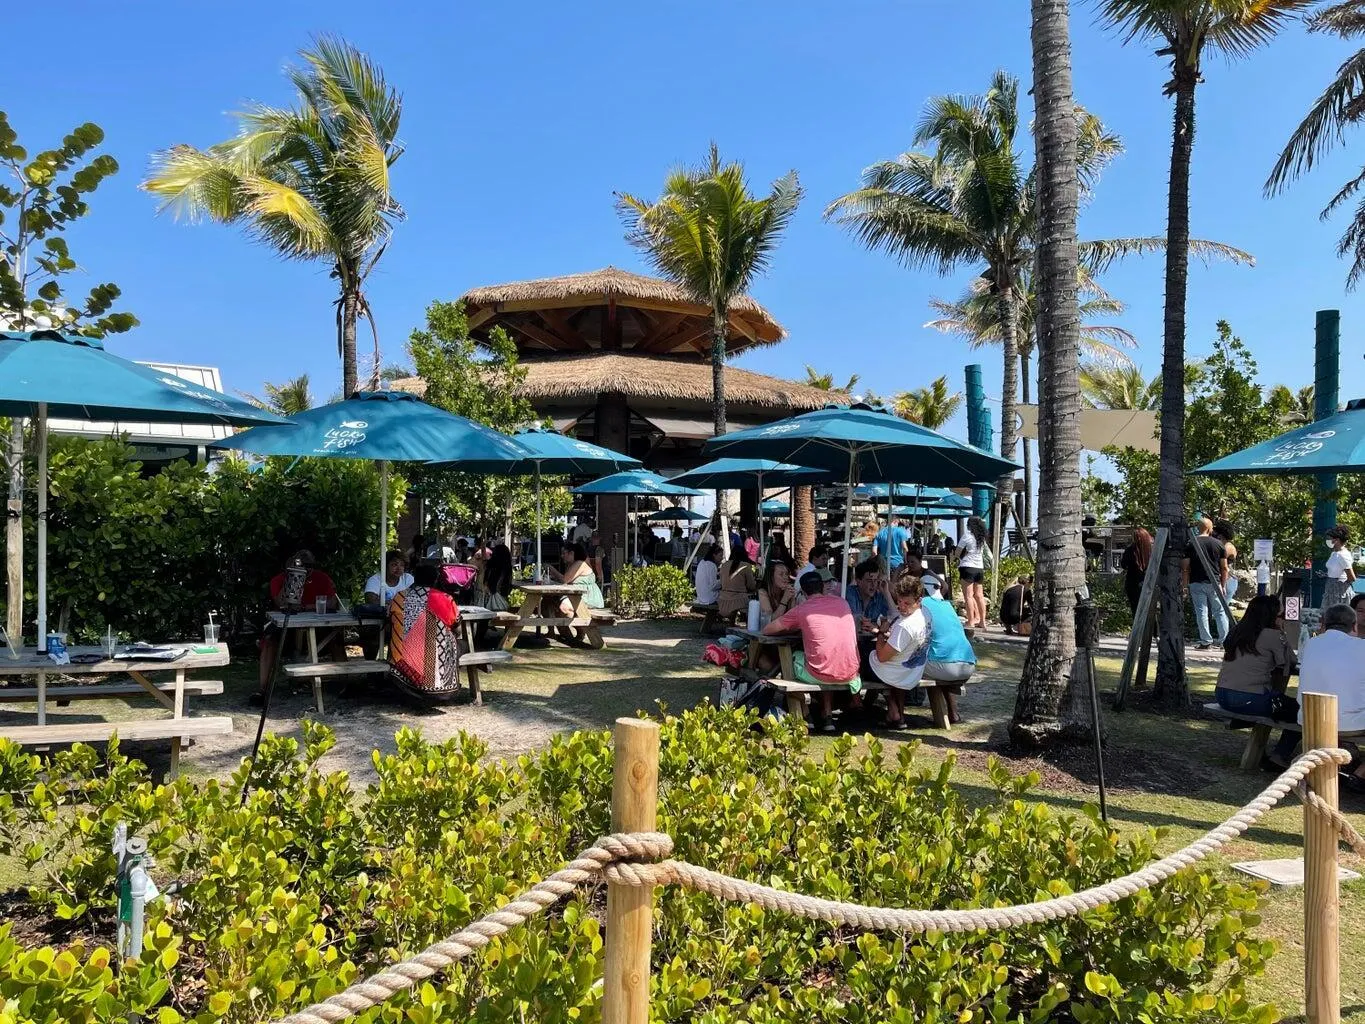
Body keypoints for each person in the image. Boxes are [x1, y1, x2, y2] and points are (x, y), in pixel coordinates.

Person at [763, 570, 860, 732]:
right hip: (850, 673)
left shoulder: (802, 609)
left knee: (793, 660)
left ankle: (805, 715)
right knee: (824, 658)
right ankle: (827, 715)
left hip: (821, 673)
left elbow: (768, 629)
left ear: (803, 592)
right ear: (822, 587)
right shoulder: (842, 603)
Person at [1215, 595, 1300, 766]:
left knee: (1282, 703)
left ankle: (1264, 753)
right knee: (1303, 712)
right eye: (1281, 616)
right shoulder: (1273, 635)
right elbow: (1290, 661)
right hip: (1249, 699)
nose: (1283, 619)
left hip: (1222, 694)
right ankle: (1280, 755)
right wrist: (1282, 634)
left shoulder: (1237, 631)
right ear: (1272, 616)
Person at [254, 549, 339, 702]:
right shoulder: (279, 580)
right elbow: (280, 603)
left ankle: (345, 683)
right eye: (303, 564)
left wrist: (307, 607)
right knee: (269, 641)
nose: (307, 568)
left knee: (336, 639)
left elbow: (333, 603)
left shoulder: (321, 578)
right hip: (287, 626)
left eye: (310, 565)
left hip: (316, 625)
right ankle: (262, 690)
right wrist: (291, 578)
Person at [1297, 603, 1365, 792]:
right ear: (1354, 626)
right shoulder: (1361, 647)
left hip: (1309, 718)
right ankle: (1360, 774)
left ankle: (1351, 766)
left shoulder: (1311, 644)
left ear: (1323, 624)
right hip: (1348, 723)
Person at [868, 572, 931, 730]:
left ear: (918, 600)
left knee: (862, 655)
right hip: (912, 670)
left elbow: (882, 657)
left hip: (893, 672)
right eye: (899, 602)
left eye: (906, 603)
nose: (902, 607)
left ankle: (890, 709)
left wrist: (881, 632)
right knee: (897, 667)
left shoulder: (905, 626)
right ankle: (898, 716)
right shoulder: (926, 614)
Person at [920, 573, 974, 723]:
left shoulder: (922, 605)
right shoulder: (948, 605)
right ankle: (953, 712)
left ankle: (896, 712)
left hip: (945, 667)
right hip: (968, 666)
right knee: (940, 662)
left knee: (906, 664)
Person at [1184, 517, 1229, 649]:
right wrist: (1223, 585)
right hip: (1214, 582)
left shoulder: (1191, 543)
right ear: (1210, 529)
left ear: (1198, 528)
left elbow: (1185, 567)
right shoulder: (1218, 544)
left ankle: (1205, 640)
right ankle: (1224, 640)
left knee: (1201, 612)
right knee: (1220, 611)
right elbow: (1224, 567)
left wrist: (1185, 585)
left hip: (1196, 581)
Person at [547, 541, 604, 617]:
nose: (562, 556)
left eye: (564, 553)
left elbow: (564, 580)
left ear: (571, 553)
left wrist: (552, 569)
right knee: (547, 602)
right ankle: (556, 625)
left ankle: (576, 624)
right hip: (575, 595)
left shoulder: (580, 564)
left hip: (587, 597)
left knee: (564, 608)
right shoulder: (571, 565)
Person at [954, 515, 988, 630]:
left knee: (968, 596)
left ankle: (971, 621)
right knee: (979, 596)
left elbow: (957, 552)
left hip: (967, 566)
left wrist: (958, 556)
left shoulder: (967, 536)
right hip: (979, 568)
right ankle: (982, 621)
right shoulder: (981, 538)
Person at [717, 544, 759, 622]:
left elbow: (721, 582)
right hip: (740, 601)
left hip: (723, 601)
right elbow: (752, 586)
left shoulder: (724, 565)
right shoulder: (746, 566)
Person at [845, 558, 890, 628]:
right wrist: (875, 626)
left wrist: (886, 593)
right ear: (858, 581)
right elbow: (857, 622)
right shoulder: (850, 593)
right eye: (869, 581)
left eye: (875, 580)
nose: (873, 584)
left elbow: (892, 618)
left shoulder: (879, 597)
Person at [1120, 527, 1153, 615]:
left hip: (1133, 583)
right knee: (1149, 610)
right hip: (1148, 582)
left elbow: (1123, 565)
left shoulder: (1130, 550)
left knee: (1136, 609)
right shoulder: (1151, 549)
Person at [1324, 525, 1357, 609]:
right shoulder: (1334, 553)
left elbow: (1352, 577)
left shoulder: (1343, 555)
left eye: (1331, 538)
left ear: (1337, 540)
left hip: (1340, 593)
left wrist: (1339, 585)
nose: (1329, 540)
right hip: (1330, 590)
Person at [482, 542, 515, 611]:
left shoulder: (489, 566)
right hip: (500, 600)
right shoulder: (506, 568)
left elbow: (485, 584)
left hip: (488, 600)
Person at [1212, 520, 1239, 605]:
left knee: (1221, 609)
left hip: (1227, 580)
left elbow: (1221, 564)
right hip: (1223, 579)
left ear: (1221, 534)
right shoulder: (1221, 545)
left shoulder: (1228, 547)